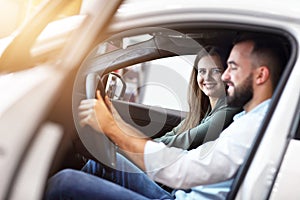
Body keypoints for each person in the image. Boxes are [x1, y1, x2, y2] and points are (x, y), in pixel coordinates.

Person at [44, 33, 287, 200]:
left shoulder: (254, 126)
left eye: (231, 68)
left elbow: (184, 170)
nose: (223, 77)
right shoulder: (246, 119)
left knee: (64, 183)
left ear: (260, 75)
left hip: (177, 194)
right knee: (101, 163)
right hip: (180, 194)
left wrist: (113, 129)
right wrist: (116, 123)